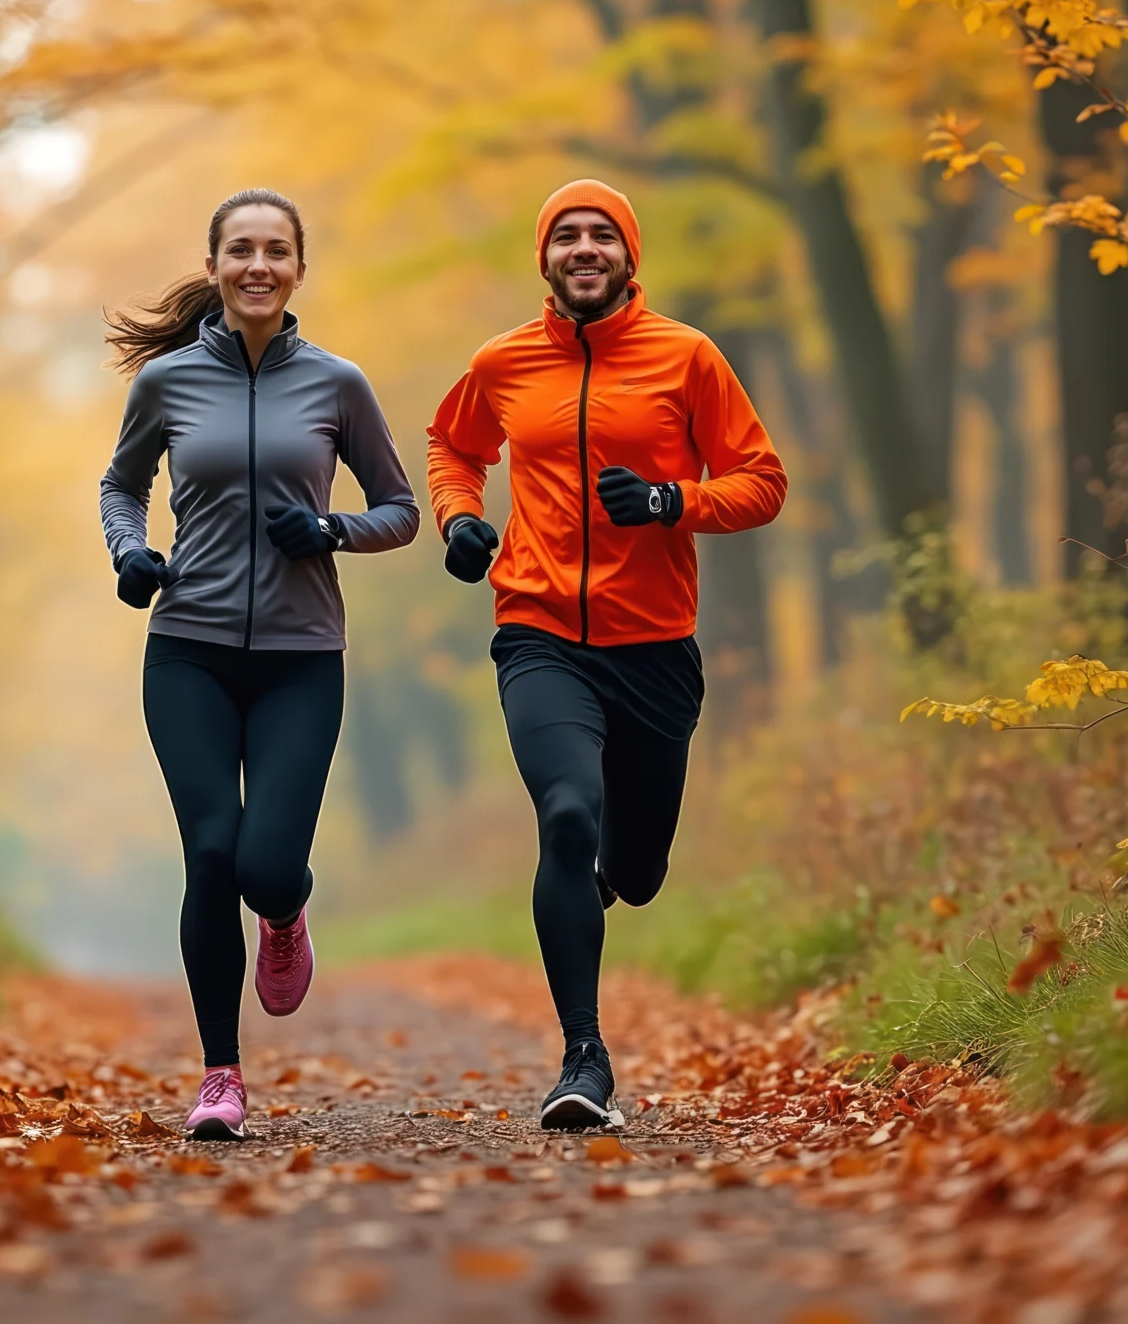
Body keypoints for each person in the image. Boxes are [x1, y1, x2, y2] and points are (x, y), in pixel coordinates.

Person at [427, 179, 787, 1131]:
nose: (583, 249)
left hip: (655, 647)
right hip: (539, 632)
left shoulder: (687, 356)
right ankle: (582, 1056)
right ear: (544, 258)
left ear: (628, 255)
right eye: (565, 236)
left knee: (637, 865)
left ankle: (596, 894)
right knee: (568, 812)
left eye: (601, 236)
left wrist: (675, 501)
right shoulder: (502, 363)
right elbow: (452, 446)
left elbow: (763, 481)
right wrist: (461, 520)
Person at [101, 188, 419, 1140]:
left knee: (266, 863)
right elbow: (123, 484)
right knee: (210, 853)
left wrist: (329, 527)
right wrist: (131, 552)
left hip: (301, 658)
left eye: (276, 251)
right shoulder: (166, 384)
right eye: (240, 250)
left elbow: (401, 509)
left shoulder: (337, 383)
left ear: (298, 271)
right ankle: (221, 1077)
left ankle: (285, 914)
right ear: (214, 267)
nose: (257, 266)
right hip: (187, 648)